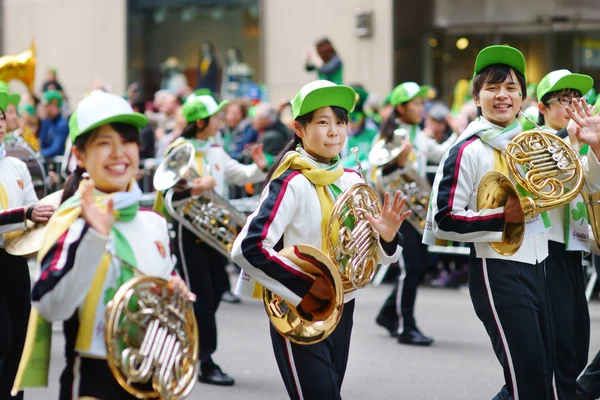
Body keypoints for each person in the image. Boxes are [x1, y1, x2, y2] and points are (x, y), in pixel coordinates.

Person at [424, 45, 600, 399]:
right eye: (492, 88)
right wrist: (503, 218)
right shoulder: (466, 149)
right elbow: (441, 220)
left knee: (545, 376)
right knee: (530, 381)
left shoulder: (534, 140)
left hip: (540, 265)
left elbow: (582, 183)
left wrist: (595, 148)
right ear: (476, 97)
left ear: (522, 97)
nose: (502, 95)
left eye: (511, 88)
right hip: (497, 271)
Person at [231, 80, 409, 399]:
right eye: (323, 122)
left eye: (340, 122)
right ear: (299, 129)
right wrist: (306, 286)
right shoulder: (290, 182)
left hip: (343, 307)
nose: (334, 132)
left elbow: (375, 258)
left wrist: (386, 237)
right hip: (298, 308)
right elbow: (247, 248)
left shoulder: (352, 178)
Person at [29, 91, 194, 399]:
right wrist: (94, 236)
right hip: (95, 378)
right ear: (80, 156)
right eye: (104, 143)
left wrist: (173, 288)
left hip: (155, 370)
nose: (119, 153)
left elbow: (164, 277)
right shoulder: (72, 220)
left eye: (127, 141)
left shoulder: (153, 221)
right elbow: (50, 306)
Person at [162, 94, 268, 386]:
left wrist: (258, 166)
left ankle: (187, 341)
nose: (221, 121)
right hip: (188, 232)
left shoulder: (216, 149)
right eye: (216, 117)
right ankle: (204, 361)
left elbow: (237, 174)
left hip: (213, 232)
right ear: (200, 122)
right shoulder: (179, 150)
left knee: (219, 287)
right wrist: (195, 189)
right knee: (202, 297)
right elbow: (168, 195)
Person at [375, 81, 458, 346]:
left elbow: (443, 153)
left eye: (423, 103)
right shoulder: (392, 136)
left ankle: (389, 314)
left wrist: (458, 133)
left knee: (418, 265)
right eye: (417, 103)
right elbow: (377, 174)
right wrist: (396, 164)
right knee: (409, 268)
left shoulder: (418, 134)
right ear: (401, 107)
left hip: (415, 211)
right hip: (396, 213)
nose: (422, 108)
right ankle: (404, 326)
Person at [536, 69, 594, 399]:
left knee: (578, 339)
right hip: (547, 247)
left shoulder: (581, 140)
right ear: (542, 108)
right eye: (563, 100)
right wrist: (570, 138)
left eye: (577, 99)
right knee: (560, 348)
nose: (573, 106)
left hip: (578, 246)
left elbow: (594, 186)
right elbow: (548, 177)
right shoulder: (535, 141)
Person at [0, 90, 55, 400]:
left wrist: (54, 212)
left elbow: (34, 209)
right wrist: (26, 214)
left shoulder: (18, 166)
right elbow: (24, 213)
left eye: (1, 117)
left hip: (15, 259)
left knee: (21, 336)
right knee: (3, 338)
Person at [39, 90, 69, 158]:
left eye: (47, 105)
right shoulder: (46, 122)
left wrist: (39, 153)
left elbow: (56, 149)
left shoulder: (62, 124)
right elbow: (41, 144)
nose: (44, 108)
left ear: (54, 104)